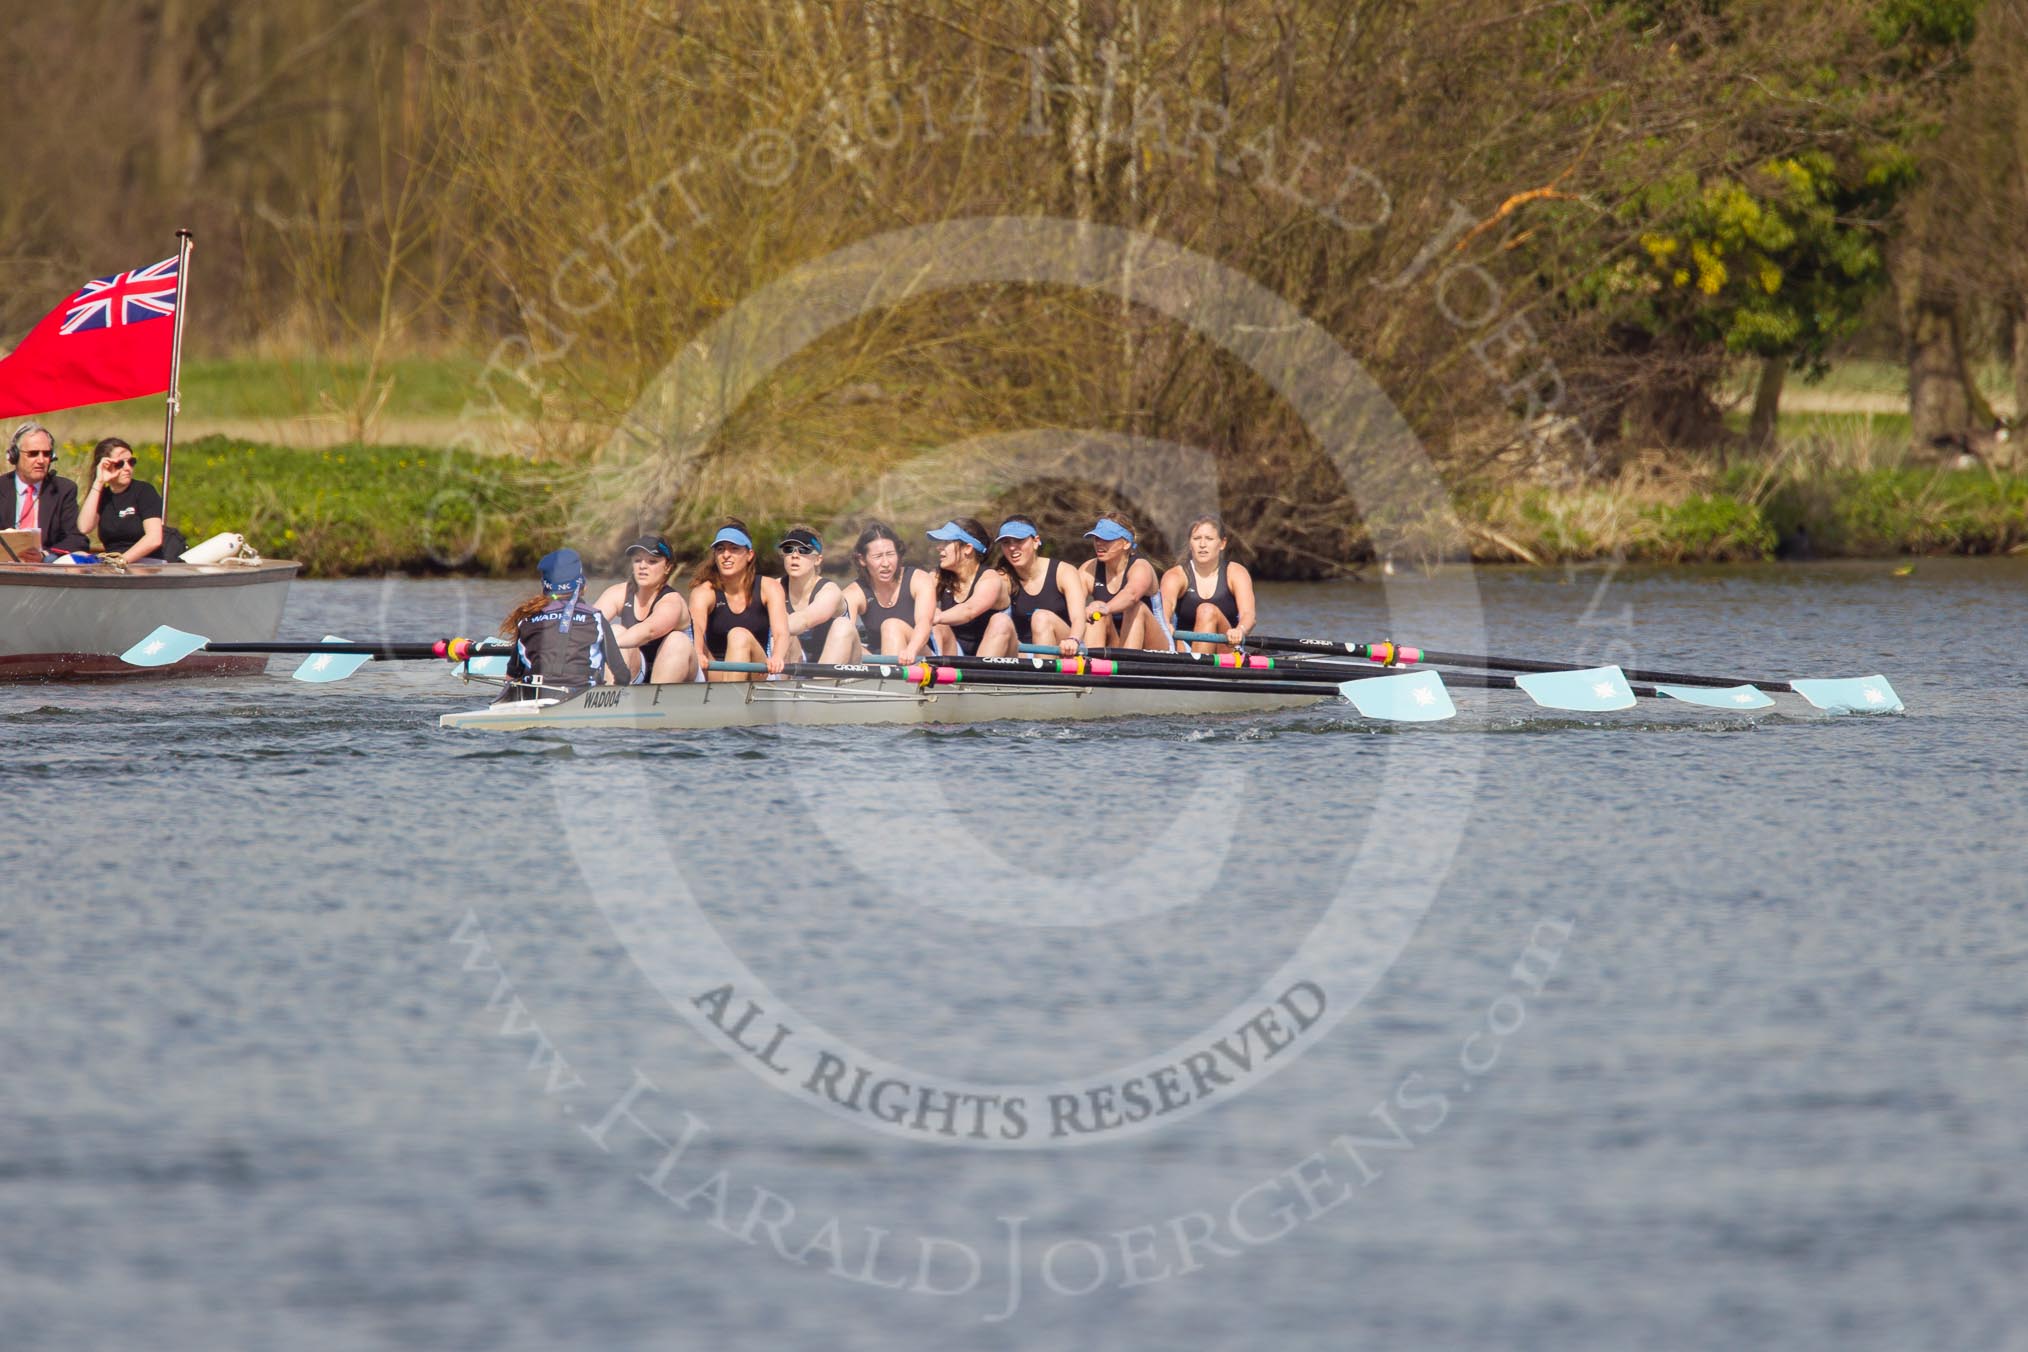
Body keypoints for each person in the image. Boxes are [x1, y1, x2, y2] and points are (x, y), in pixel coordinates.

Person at [497, 548, 629, 700]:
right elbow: (621, 673)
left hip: (535, 697)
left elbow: (511, 678)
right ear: (582, 586)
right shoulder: (595, 618)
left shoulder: (526, 621)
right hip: (582, 698)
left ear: (544, 586)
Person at [689, 519, 790, 681]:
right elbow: (697, 630)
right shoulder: (704, 592)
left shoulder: (769, 587)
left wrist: (777, 657)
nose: (726, 555)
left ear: (749, 555)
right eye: (720, 550)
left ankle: (729, 698)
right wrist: (698, 653)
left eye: (734, 549)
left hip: (757, 669)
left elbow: (781, 633)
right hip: (716, 669)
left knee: (739, 635)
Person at [594, 534, 694, 683]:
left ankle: (658, 701)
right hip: (638, 671)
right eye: (637, 560)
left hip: (682, 675)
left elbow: (648, 631)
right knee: (615, 630)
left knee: (677, 640)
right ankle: (613, 698)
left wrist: (608, 645)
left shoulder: (672, 601)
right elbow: (588, 623)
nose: (642, 566)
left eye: (652, 561)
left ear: (667, 567)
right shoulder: (618, 593)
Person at [836, 521, 934, 662]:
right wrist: (876, 663)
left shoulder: (918, 579)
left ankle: (888, 677)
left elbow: (924, 623)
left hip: (920, 654)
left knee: (891, 625)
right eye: (877, 557)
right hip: (880, 659)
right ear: (862, 559)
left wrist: (910, 651)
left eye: (890, 554)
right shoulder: (853, 593)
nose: (886, 563)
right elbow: (845, 637)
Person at [1160, 514, 1257, 652]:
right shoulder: (1175, 576)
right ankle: (1194, 664)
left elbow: (1249, 615)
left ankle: (1195, 667)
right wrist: (1165, 623)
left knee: (1207, 610)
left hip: (1226, 646)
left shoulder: (1236, 573)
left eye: (1209, 539)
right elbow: (1166, 605)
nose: (1202, 545)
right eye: (1196, 538)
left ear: (1222, 544)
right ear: (1190, 543)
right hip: (1184, 647)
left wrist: (1240, 630)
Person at [993, 515, 1088, 656]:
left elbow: (1078, 618)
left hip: (1065, 647)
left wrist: (1073, 639)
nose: (1012, 547)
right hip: (1024, 651)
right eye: (1006, 543)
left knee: (1041, 617)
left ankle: (1042, 676)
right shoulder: (1002, 577)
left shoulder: (1064, 572)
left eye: (1019, 540)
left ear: (1036, 541)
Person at [77, 437, 182, 563]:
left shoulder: (144, 491)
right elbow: (84, 527)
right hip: (112, 563)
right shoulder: (102, 496)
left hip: (146, 563)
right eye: (120, 464)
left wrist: (122, 560)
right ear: (106, 466)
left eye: (131, 462)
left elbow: (154, 538)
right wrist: (99, 482)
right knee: (71, 559)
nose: (127, 468)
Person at [927, 517, 1015, 657]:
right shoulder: (938, 576)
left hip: (997, 654)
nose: (939, 547)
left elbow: (969, 610)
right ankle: (938, 675)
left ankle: (980, 677)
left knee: (1001, 621)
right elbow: (912, 597)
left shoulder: (990, 579)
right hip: (956, 652)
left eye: (947, 542)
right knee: (937, 622)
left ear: (968, 549)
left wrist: (934, 617)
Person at [1079, 512, 1167, 650]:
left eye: (1106, 539)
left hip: (1155, 645)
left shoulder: (1141, 567)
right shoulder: (1088, 569)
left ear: (1126, 543)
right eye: (1096, 538)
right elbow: (1071, 603)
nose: (1099, 543)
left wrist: (1104, 608)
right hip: (1116, 642)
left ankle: (1127, 666)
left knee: (1134, 607)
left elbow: (1131, 595)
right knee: (1095, 610)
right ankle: (1091, 667)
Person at [1, 423, 87, 560]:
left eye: (46, 454)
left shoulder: (64, 489)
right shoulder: (2, 487)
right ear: (14, 455)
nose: (41, 460)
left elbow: (76, 539)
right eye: (33, 454)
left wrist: (44, 555)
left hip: (46, 566)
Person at [776, 526, 847, 665]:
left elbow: (805, 620)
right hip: (793, 662)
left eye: (804, 550)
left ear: (818, 559)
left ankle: (820, 683)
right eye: (789, 550)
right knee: (785, 634)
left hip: (831, 665)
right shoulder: (773, 588)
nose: (795, 555)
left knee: (843, 626)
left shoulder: (830, 591)